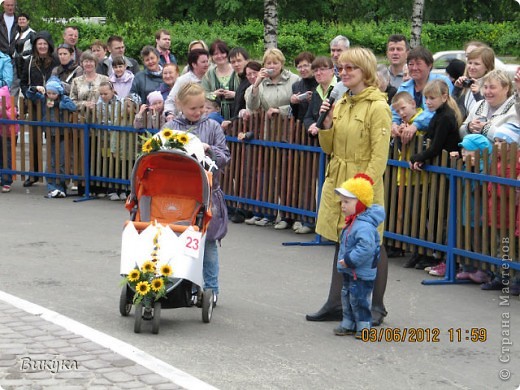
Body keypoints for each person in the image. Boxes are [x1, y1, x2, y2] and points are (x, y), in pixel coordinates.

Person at [306, 47, 391, 326]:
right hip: (339, 180)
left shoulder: (378, 107)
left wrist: (361, 189)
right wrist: (327, 126)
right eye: (341, 69)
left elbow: (379, 156)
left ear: (365, 71)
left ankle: (376, 307)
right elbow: (328, 148)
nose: (343, 73)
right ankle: (335, 303)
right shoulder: (341, 103)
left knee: (372, 245)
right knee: (342, 240)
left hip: (363, 183)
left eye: (349, 69)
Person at [162, 82, 230, 302]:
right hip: (177, 193)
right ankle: (179, 285)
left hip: (207, 193)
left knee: (208, 242)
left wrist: (210, 150)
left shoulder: (212, 127)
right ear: (180, 105)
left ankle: (211, 288)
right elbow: (159, 152)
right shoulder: (171, 127)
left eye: (202, 107)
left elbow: (225, 156)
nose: (199, 111)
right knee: (176, 240)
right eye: (193, 108)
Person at [332, 174, 385, 338]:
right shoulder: (353, 221)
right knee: (347, 295)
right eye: (342, 201)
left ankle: (363, 325)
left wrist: (348, 260)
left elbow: (366, 247)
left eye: (347, 202)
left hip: (360, 272)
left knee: (360, 298)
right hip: (351, 270)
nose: (343, 205)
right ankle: (349, 322)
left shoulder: (364, 226)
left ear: (360, 203)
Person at [391, 46, 454, 150]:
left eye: (418, 64)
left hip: (435, 141)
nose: (414, 68)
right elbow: (394, 111)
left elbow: (440, 110)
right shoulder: (404, 87)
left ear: (429, 65)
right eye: (411, 64)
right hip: (408, 143)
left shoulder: (442, 82)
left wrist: (415, 125)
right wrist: (394, 125)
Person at [25, 76, 77, 198]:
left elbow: (72, 107)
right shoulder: (44, 99)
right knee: (50, 162)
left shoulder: (64, 98)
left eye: (54, 93)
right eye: (49, 93)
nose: (51, 95)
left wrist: (59, 103)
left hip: (63, 135)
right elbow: (30, 95)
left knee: (62, 162)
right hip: (50, 134)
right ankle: (51, 187)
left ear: (59, 92)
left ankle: (61, 186)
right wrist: (35, 88)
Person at [20, 30, 59, 187]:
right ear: (35, 46)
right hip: (36, 104)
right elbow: (23, 83)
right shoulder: (29, 61)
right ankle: (34, 173)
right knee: (35, 141)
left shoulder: (56, 61)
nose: (42, 46)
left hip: (52, 106)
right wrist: (32, 91)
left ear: (49, 45)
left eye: (44, 44)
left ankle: (53, 174)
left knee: (53, 140)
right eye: (39, 44)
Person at [459, 69, 516, 143]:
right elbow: (460, 133)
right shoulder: (479, 104)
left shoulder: (515, 110)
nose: (487, 92)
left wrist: (486, 129)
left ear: (506, 89)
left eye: (492, 87)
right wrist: (469, 127)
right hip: (473, 154)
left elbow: (513, 140)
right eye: (485, 87)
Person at [164, 48, 210, 119]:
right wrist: (170, 114)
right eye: (203, 62)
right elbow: (170, 100)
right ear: (194, 64)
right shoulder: (183, 80)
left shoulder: (211, 78)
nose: (207, 64)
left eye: (207, 61)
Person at [453, 46, 495, 119]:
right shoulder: (466, 84)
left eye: (476, 64)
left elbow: (487, 114)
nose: (471, 67)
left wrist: (478, 95)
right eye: (470, 63)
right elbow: (452, 109)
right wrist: (457, 89)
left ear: (487, 67)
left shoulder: (492, 87)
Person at [201, 39, 238, 120]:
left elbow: (246, 92)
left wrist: (235, 95)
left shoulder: (237, 71)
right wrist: (214, 94)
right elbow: (202, 96)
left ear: (227, 54)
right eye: (216, 54)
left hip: (237, 116)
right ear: (211, 57)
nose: (219, 56)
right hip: (215, 118)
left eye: (222, 53)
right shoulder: (208, 74)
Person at [304, 56, 337, 135]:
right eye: (315, 71)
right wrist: (312, 125)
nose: (318, 73)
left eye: (322, 69)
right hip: (321, 140)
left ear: (332, 71)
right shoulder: (316, 92)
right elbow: (308, 117)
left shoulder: (341, 88)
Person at [290, 51, 317, 122]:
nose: (302, 70)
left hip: (317, 126)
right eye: (299, 67)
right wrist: (293, 103)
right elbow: (295, 114)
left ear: (313, 65)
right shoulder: (296, 86)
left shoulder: (321, 83)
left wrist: (314, 101)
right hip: (301, 126)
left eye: (306, 66)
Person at [0, 84, 18, 193]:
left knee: (7, 157)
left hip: (8, 135)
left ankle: (7, 181)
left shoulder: (12, 106)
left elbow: (11, 115)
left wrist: (2, 111)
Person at [12, 12, 34, 97]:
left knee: (25, 83)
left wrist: (24, 54)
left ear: (27, 21)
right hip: (17, 62)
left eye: (23, 19)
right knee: (15, 84)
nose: (21, 21)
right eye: (20, 19)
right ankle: (15, 106)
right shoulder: (17, 34)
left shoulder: (32, 33)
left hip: (27, 62)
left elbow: (35, 49)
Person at [228, 47, 250, 119]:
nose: (236, 64)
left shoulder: (251, 79)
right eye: (233, 62)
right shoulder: (242, 79)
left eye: (239, 60)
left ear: (247, 61)